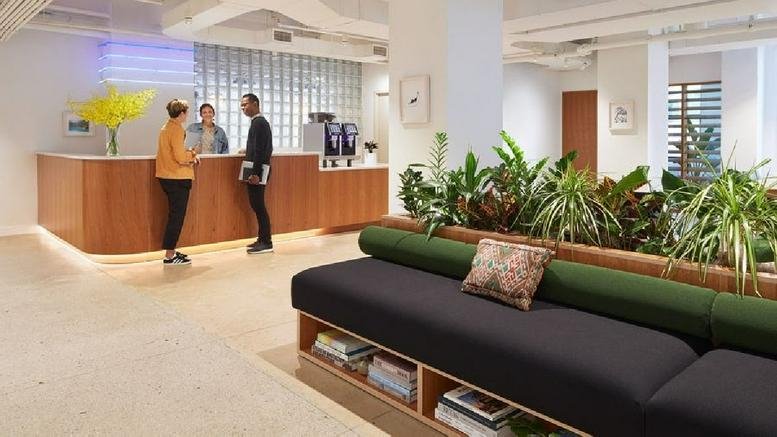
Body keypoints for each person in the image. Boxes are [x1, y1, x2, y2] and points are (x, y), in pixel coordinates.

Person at [156, 99, 199, 265]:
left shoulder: (165, 128)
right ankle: (169, 256)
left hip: (166, 176)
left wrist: (190, 154)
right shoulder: (177, 130)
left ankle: (171, 251)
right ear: (181, 113)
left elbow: (175, 152)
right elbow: (181, 158)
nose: (187, 115)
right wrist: (193, 154)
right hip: (177, 178)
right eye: (186, 112)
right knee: (177, 217)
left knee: (174, 215)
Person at [240, 93, 273, 254]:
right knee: (257, 205)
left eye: (245, 104)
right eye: (242, 105)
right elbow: (258, 147)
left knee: (259, 206)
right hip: (258, 170)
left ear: (255, 103)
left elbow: (261, 151)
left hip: (258, 172)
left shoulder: (259, 123)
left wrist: (256, 173)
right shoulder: (258, 123)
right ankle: (262, 239)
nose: (243, 108)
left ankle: (266, 241)